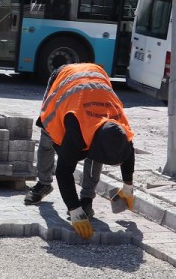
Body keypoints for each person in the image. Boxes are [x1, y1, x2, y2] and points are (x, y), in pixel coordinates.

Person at [23, 62, 137, 240]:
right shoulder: (75, 129)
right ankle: (44, 183)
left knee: (97, 152)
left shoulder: (120, 127)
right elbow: (64, 172)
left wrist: (128, 187)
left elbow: (129, 153)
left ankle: (87, 200)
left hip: (96, 79)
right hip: (64, 81)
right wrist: (74, 209)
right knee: (48, 137)